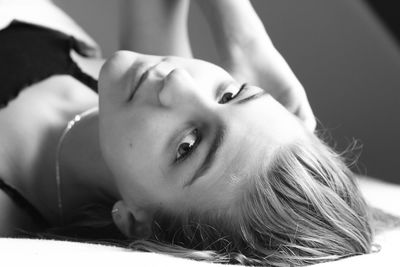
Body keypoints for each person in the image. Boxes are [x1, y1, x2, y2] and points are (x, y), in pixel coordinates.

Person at [0, 0, 390, 266]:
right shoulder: (133, 93)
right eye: (232, 93)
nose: (179, 81)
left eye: (188, 146)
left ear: (138, 222)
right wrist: (244, 38)